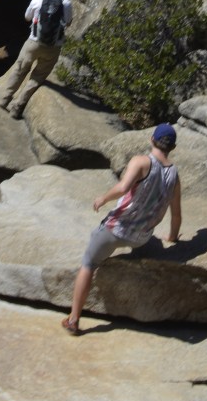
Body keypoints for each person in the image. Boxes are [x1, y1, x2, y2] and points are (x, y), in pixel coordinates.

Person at [61, 122, 181, 336]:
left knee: (88, 263)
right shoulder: (174, 174)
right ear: (172, 147)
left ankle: (73, 319)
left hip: (115, 230)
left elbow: (123, 188)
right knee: (148, 242)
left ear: (151, 139)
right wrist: (172, 237)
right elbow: (176, 213)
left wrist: (104, 198)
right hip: (141, 237)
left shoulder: (142, 162)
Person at [0, 0, 72, 119]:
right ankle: (17, 107)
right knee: (37, 77)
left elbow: (27, 17)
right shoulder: (67, 3)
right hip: (53, 47)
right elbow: (68, 23)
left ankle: (4, 99)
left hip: (33, 43)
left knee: (20, 70)